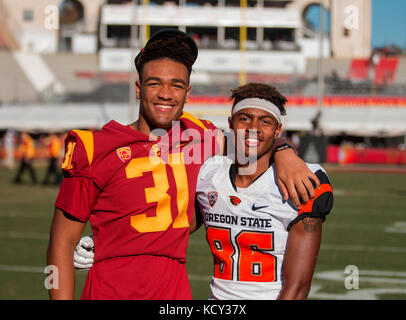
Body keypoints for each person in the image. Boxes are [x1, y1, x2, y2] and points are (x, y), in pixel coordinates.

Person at [48, 29, 320, 300]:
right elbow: (60, 243)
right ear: (138, 88)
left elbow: (253, 145)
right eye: (154, 83)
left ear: (187, 92)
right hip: (110, 291)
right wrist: (115, 239)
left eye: (176, 85)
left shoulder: (199, 136)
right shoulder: (96, 147)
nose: (166, 94)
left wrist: (285, 151)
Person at [74, 83, 334, 300]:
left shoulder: (304, 181)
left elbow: (298, 288)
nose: (253, 128)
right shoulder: (210, 173)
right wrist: (110, 243)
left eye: (265, 121)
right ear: (231, 123)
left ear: (278, 130)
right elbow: (170, 226)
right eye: (245, 118)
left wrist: (284, 150)